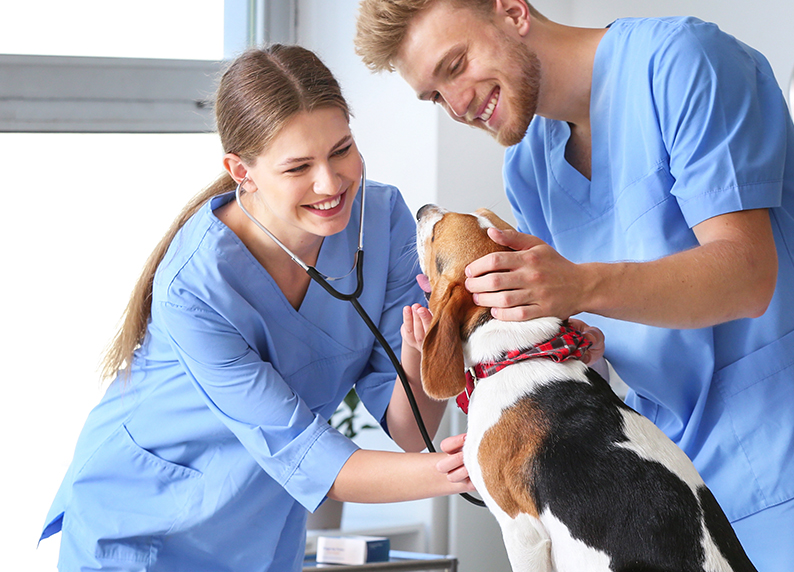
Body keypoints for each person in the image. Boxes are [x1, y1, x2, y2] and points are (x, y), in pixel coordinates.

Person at [354, 1, 794, 571]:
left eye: (455, 64)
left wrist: (577, 287)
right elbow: (601, 320)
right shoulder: (530, 165)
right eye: (435, 95)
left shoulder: (684, 63)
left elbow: (747, 275)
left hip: (785, 444)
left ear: (511, 11)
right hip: (652, 472)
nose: (457, 105)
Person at [39, 44, 473, 571]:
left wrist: (414, 354)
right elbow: (299, 450)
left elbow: (411, 432)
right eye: (298, 167)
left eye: (341, 150)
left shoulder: (381, 219)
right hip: (139, 527)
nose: (330, 184)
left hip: (260, 526)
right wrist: (468, 465)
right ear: (240, 169)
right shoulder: (197, 285)